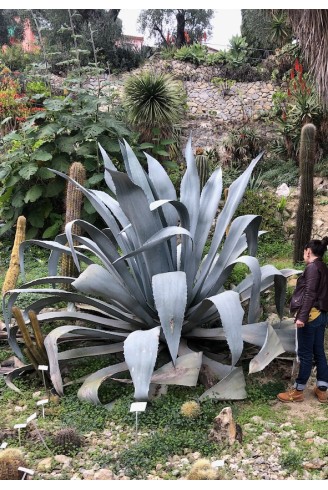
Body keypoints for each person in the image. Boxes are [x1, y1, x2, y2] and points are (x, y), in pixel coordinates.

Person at [277, 236, 328, 403]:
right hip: (321, 315)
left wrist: (302, 317)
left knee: (305, 354)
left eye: (304, 251)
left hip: (311, 316)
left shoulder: (312, 268)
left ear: (308, 251)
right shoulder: (322, 266)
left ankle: (298, 391)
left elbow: (310, 293)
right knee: (319, 352)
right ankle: (322, 389)